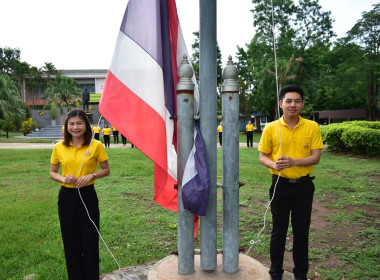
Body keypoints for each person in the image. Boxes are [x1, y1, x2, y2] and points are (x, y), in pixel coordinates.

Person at [258, 85, 323, 280]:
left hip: (304, 187)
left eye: (297, 101)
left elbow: (316, 157)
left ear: (302, 104)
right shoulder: (271, 128)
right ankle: (275, 272)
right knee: (279, 230)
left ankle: (300, 274)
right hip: (280, 185)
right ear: (281, 103)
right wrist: (274, 165)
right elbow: (263, 156)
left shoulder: (312, 127)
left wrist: (294, 161)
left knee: (302, 231)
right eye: (288, 101)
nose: (292, 105)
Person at [49, 108, 110, 280]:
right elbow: (52, 172)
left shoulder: (95, 145)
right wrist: (63, 177)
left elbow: (106, 170)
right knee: (70, 241)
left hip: (88, 196)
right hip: (67, 197)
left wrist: (93, 175)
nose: (75, 127)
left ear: (87, 125)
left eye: (79, 123)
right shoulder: (59, 147)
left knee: (90, 240)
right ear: (66, 126)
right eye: (72, 124)